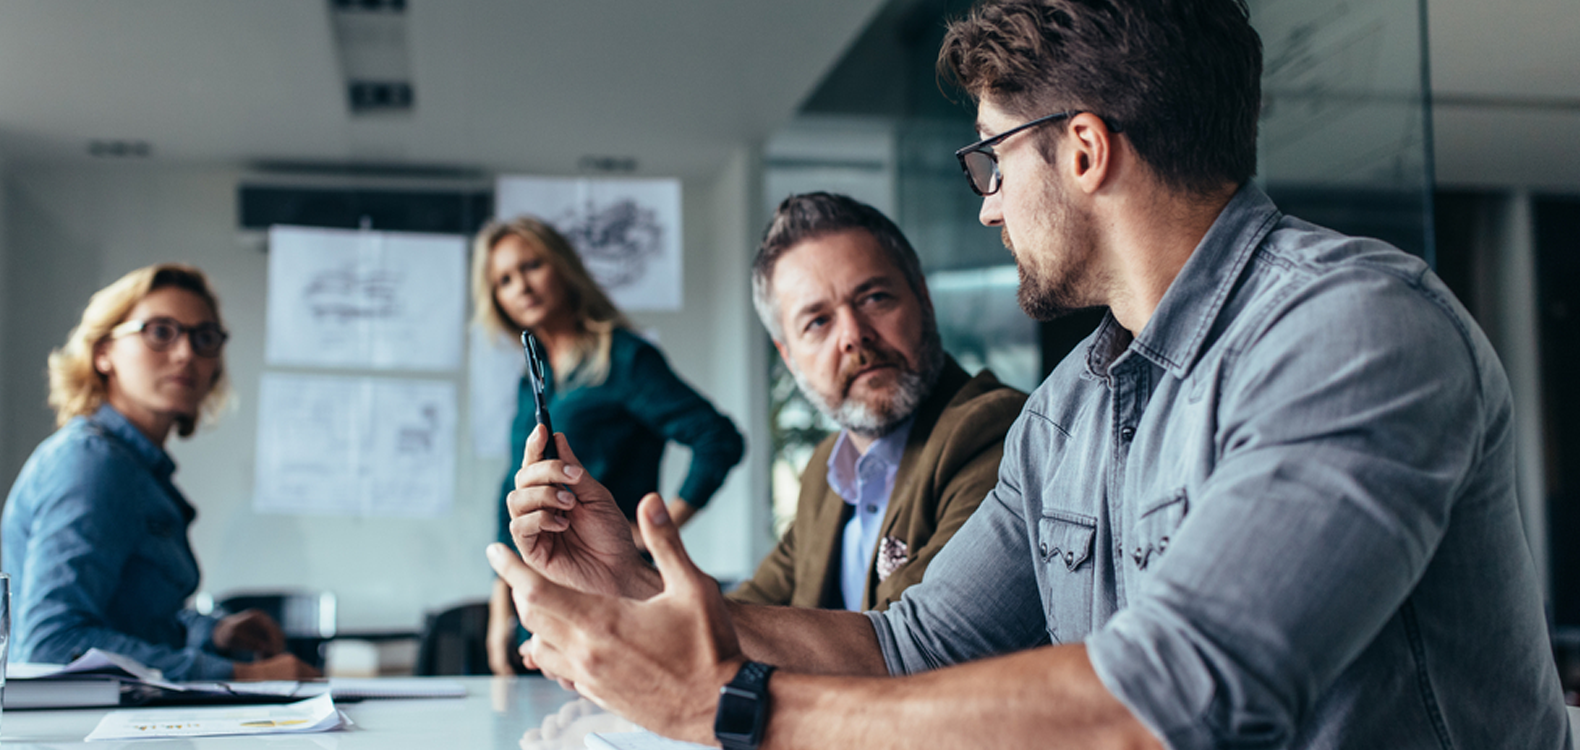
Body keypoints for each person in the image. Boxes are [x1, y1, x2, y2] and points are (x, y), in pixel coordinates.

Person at [488, 0, 1572, 747]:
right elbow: (907, 645)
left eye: (991, 159)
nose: (987, 202)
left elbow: (1176, 702)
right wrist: (635, 586)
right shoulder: (1070, 410)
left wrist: (733, 706)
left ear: (1085, 151)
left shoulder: (1352, 331)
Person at [2, 264, 319, 681]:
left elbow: (128, 623)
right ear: (103, 352)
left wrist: (215, 633)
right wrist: (241, 675)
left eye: (204, 338)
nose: (186, 353)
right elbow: (52, 646)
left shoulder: (138, 469)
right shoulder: (92, 462)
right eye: (159, 331)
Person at [472, 216, 746, 675]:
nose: (521, 285)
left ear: (561, 267)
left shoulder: (625, 358)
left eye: (531, 265)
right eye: (503, 279)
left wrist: (656, 532)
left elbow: (718, 439)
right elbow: (514, 490)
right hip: (535, 603)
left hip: (606, 592)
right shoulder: (532, 380)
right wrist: (501, 605)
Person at [727, 192, 1025, 611]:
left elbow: (912, 642)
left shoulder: (994, 431)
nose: (853, 335)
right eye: (817, 321)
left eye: (874, 298)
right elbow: (749, 612)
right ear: (789, 357)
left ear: (923, 299)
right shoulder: (826, 470)